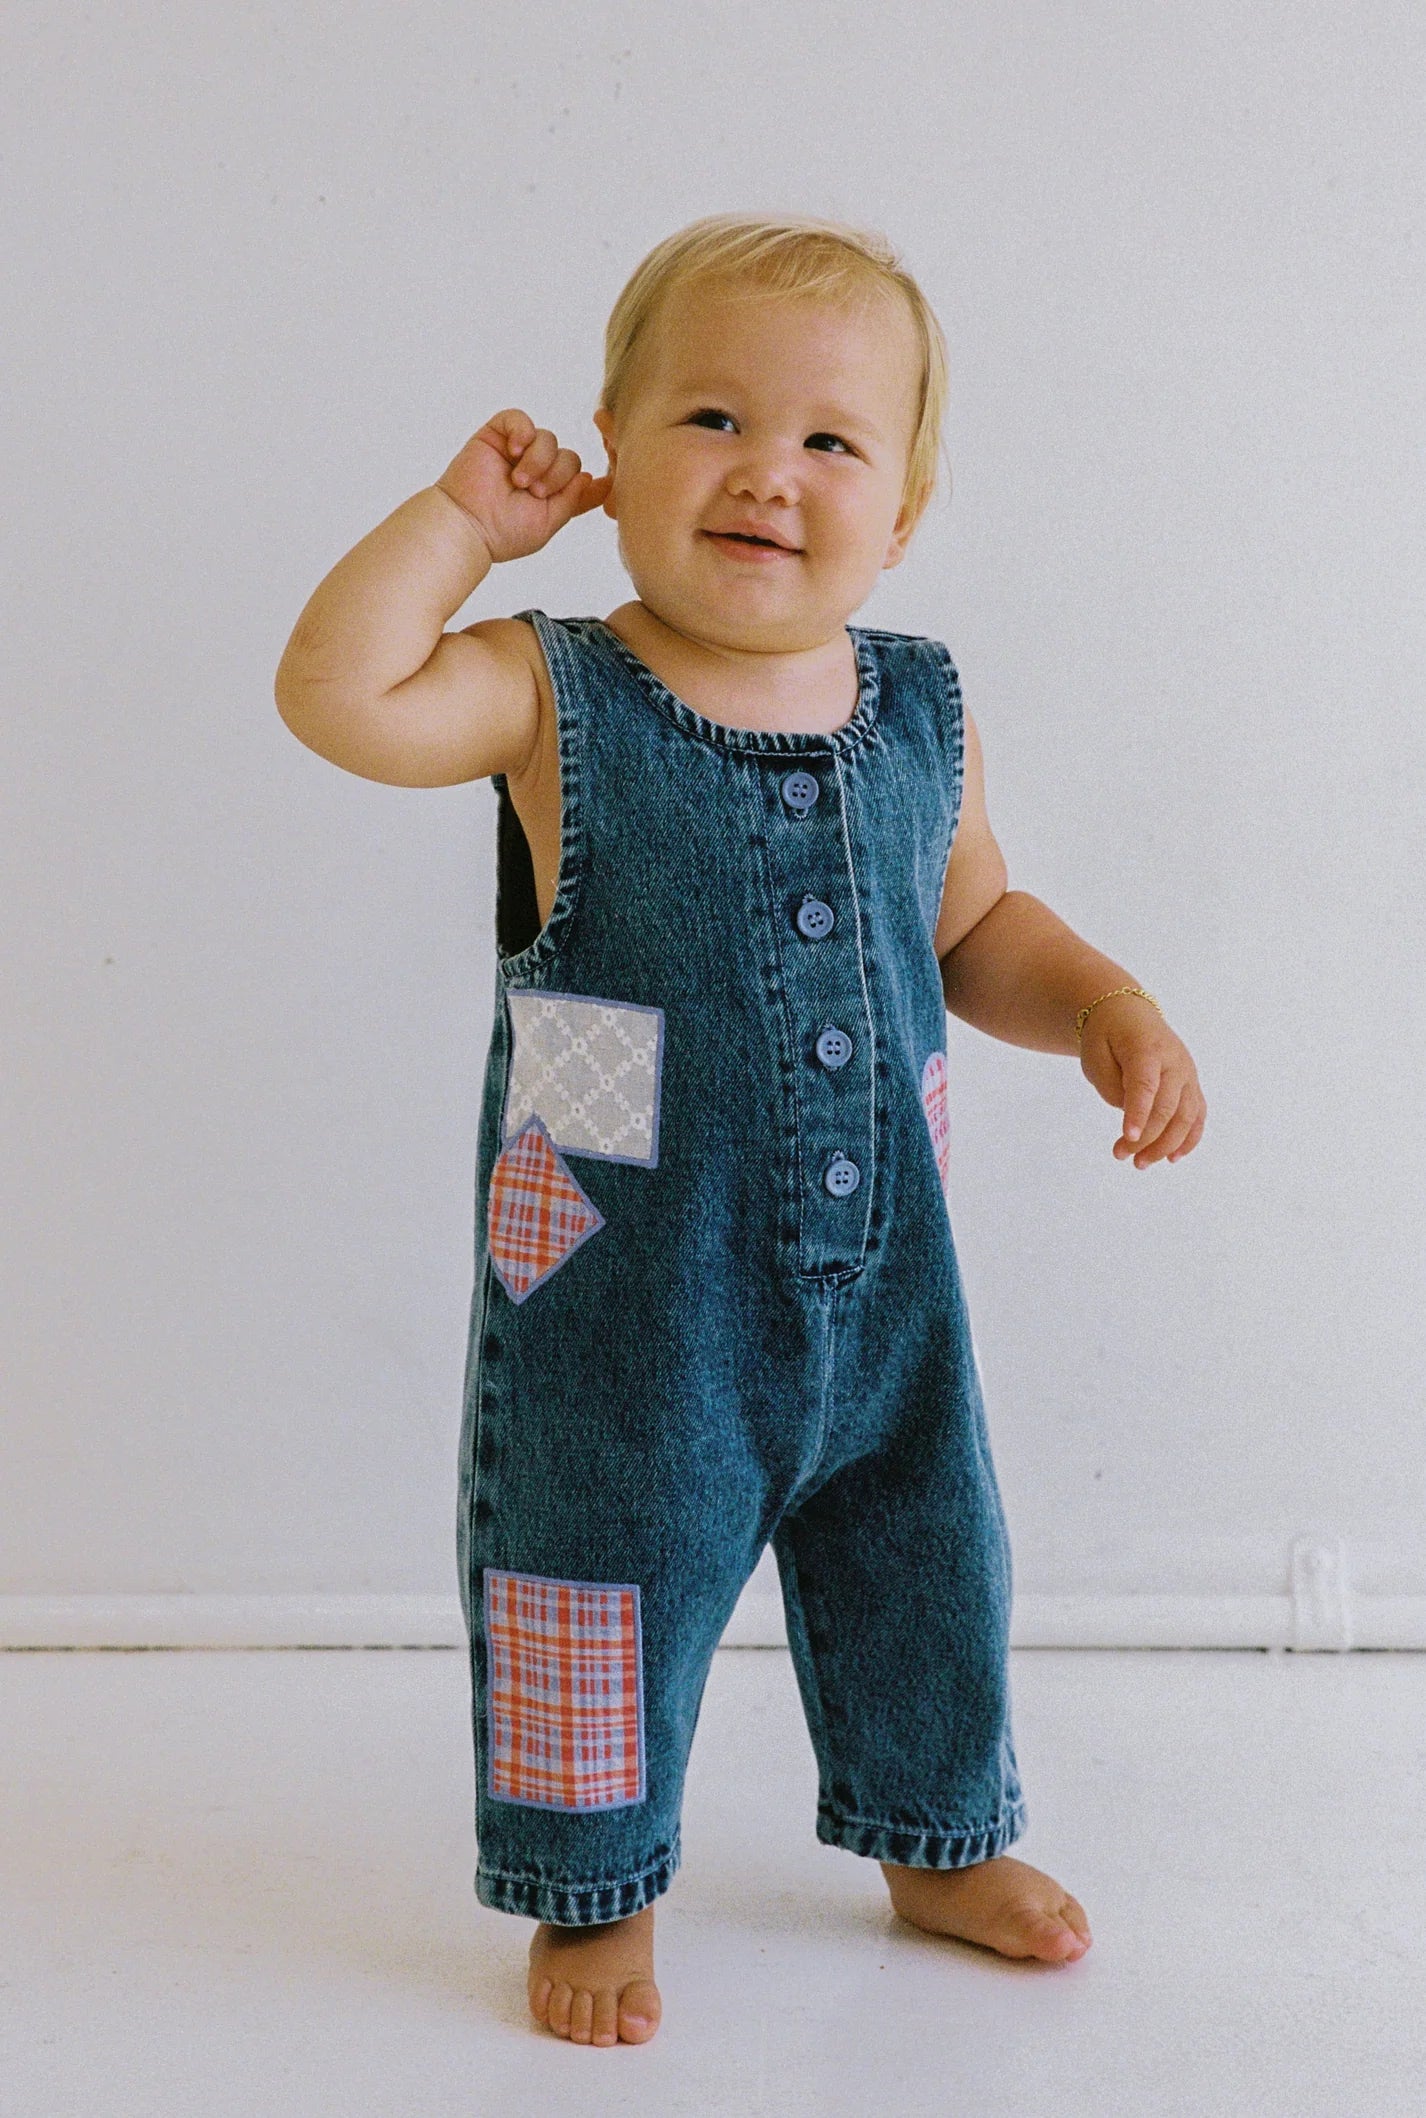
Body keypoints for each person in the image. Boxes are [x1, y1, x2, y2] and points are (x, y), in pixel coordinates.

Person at [274, 212, 1206, 2050]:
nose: (767, 471)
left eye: (831, 442)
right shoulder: (555, 692)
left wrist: (1101, 1004)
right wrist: (463, 523)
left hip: (889, 1297)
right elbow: (341, 698)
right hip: (624, 1299)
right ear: (610, 456)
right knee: (595, 1578)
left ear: (906, 506)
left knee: (931, 1559)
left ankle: (934, 1834)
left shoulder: (919, 705)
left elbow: (973, 926)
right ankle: (589, 1885)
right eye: (708, 417)